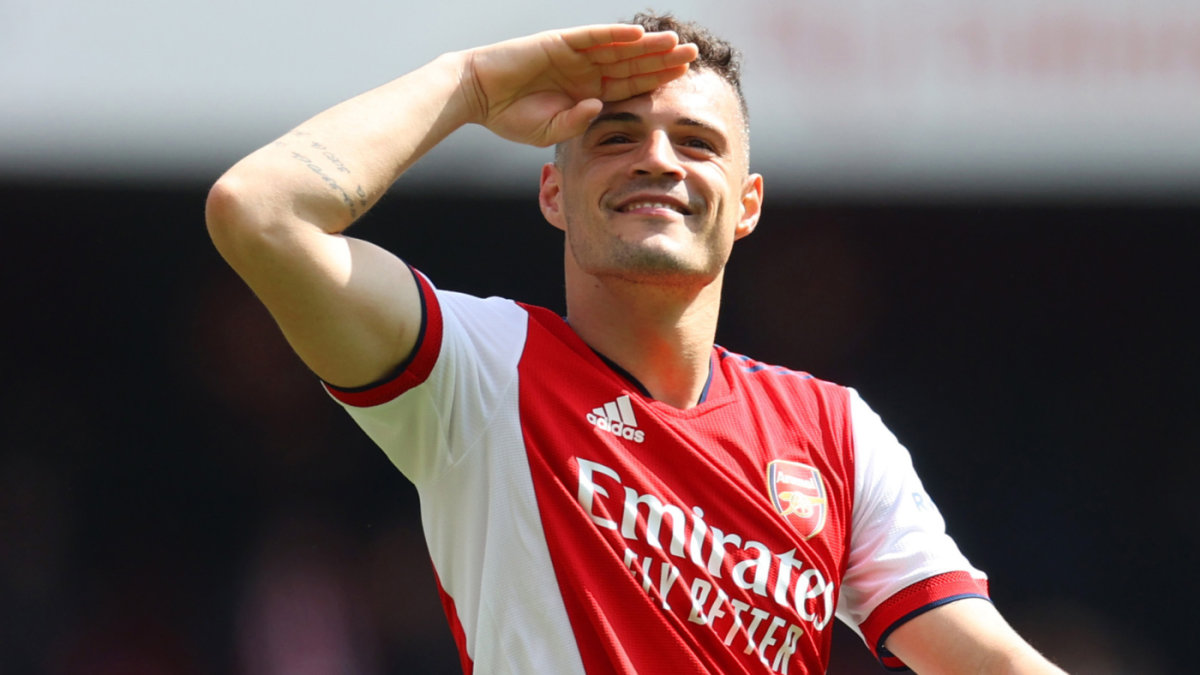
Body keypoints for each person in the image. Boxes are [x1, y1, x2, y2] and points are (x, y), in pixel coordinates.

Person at [206, 13, 1067, 675]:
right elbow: (260, 210)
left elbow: (987, 659)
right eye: (616, 138)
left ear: (748, 203)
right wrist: (467, 83)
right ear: (553, 192)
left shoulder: (835, 432)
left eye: (697, 143)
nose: (658, 160)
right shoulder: (481, 368)